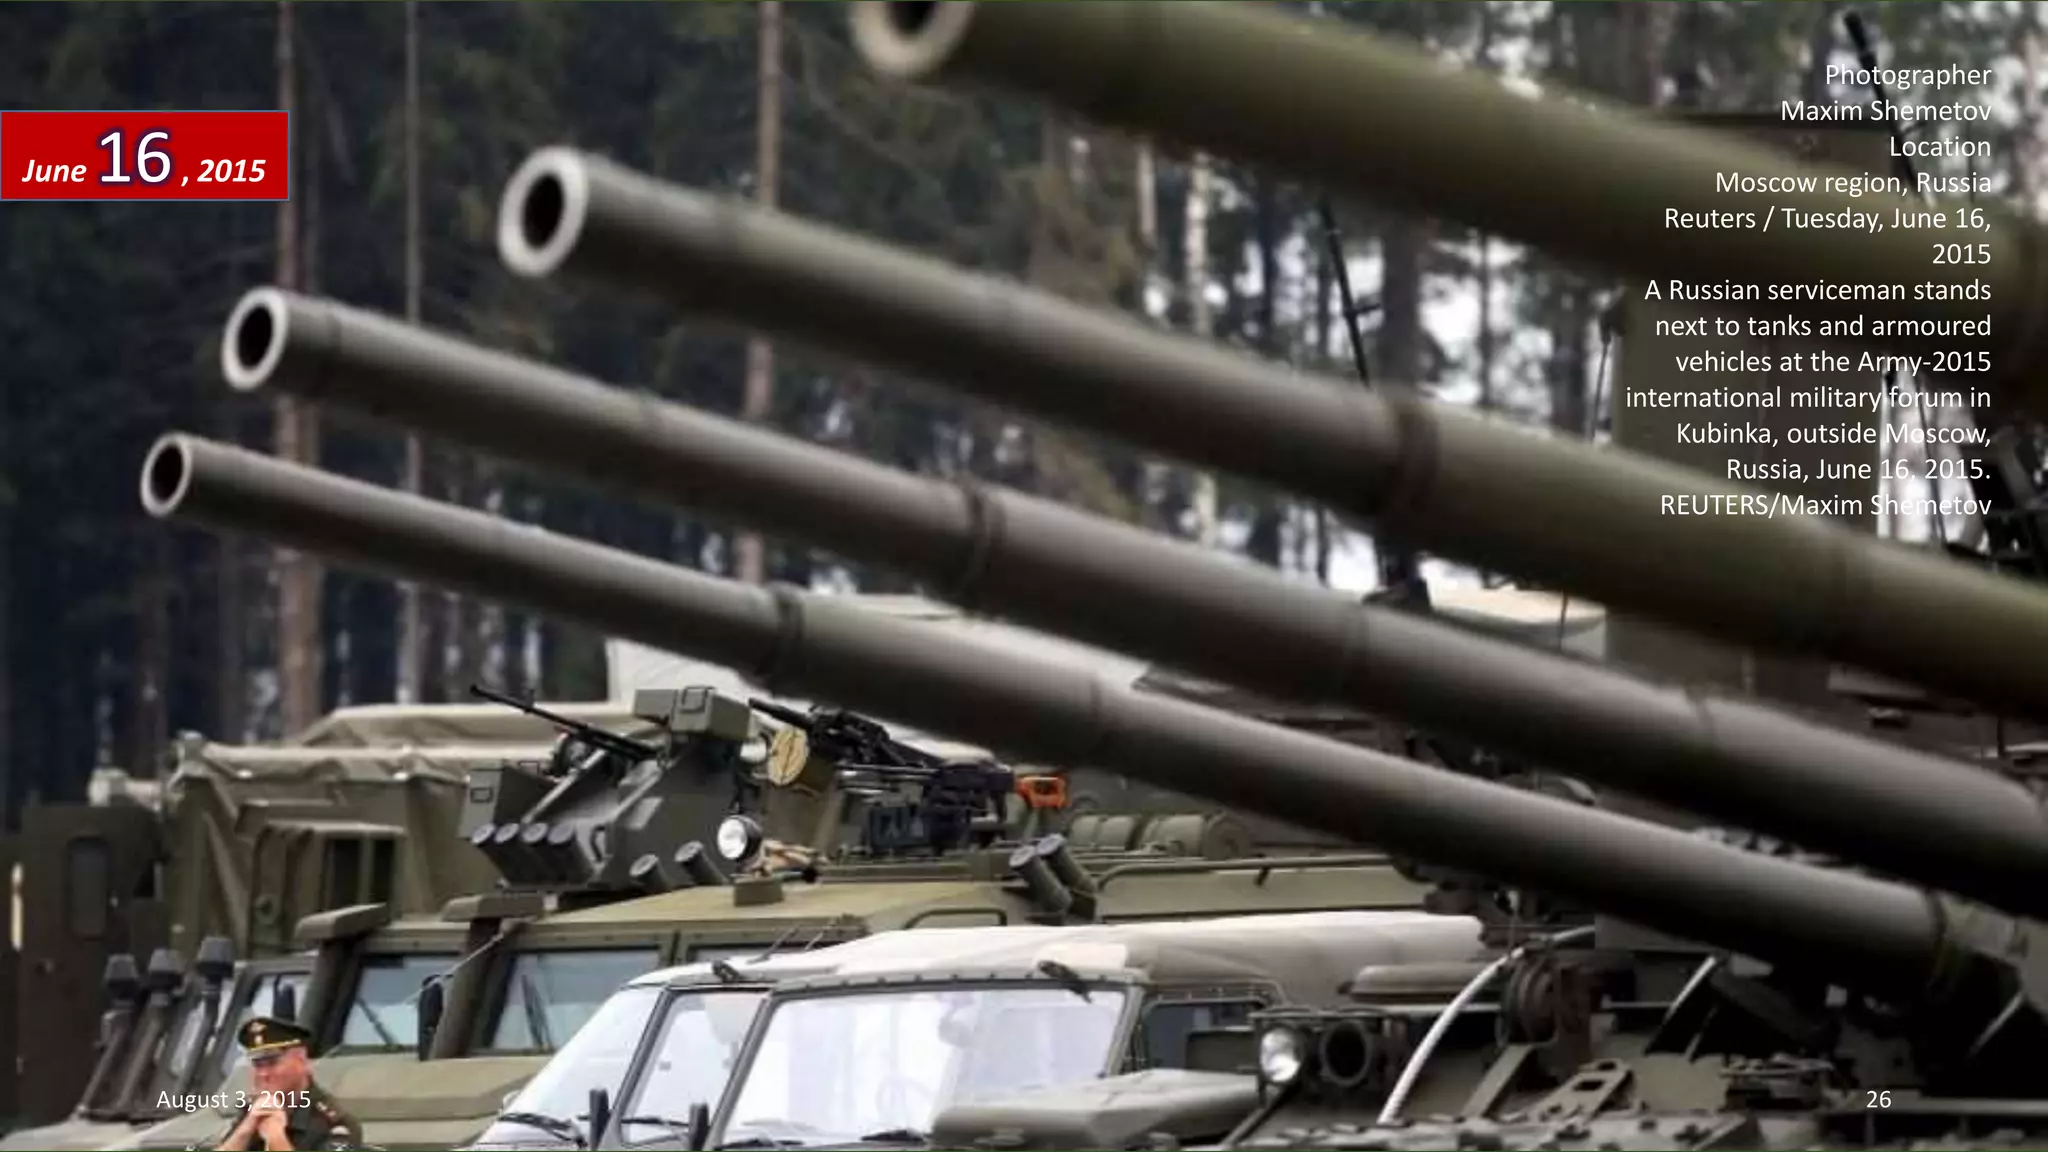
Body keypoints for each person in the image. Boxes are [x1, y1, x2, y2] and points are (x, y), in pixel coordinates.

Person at [213, 1016, 361, 1151]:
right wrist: (245, 1130)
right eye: (258, 1064)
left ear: (301, 1061)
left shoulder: (335, 1124)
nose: (263, 1074)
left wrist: (276, 1138)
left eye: (272, 1063)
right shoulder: (250, 1112)